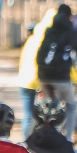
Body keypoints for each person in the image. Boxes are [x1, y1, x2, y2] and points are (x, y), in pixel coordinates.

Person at [35, 4, 77, 140]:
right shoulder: (72, 34)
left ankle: (36, 133)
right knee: (71, 105)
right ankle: (67, 139)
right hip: (61, 77)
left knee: (44, 107)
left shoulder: (48, 31)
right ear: (70, 17)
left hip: (43, 75)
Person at [16, 9, 56, 139]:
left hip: (24, 80)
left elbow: (22, 59)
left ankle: (25, 143)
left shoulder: (32, 39)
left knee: (28, 114)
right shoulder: (51, 40)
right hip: (40, 80)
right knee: (50, 113)